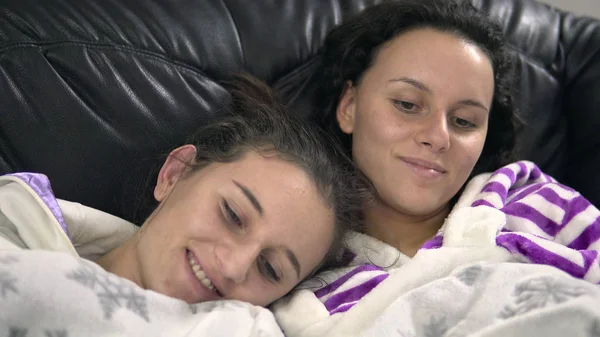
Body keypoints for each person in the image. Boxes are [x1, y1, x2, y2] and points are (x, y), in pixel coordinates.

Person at [271, 1, 600, 336]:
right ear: (349, 106)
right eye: (408, 104)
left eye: (464, 121)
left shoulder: (540, 203)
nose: (438, 137)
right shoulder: (300, 283)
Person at [0, 73, 368, 335]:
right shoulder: (16, 230)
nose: (235, 267)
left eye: (270, 269)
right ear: (173, 175)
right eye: (233, 215)